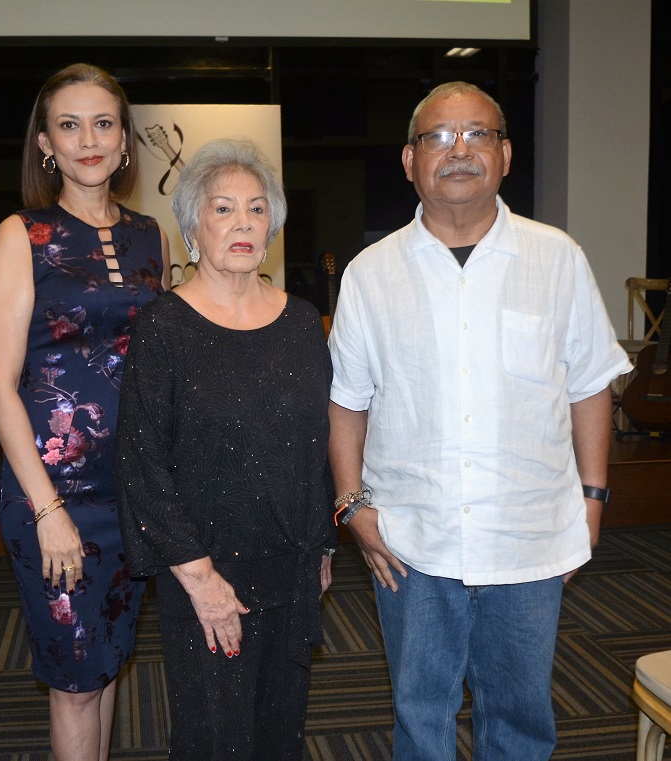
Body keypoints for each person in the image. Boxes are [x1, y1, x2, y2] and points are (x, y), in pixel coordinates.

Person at [328, 81, 633, 760]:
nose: (457, 150)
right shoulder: (370, 274)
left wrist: (591, 497)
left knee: (520, 718)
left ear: (504, 154)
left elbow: (588, 386)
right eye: (437, 136)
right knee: (419, 715)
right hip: (410, 539)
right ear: (409, 160)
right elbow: (348, 399)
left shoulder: (556, 259)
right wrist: (352, 504)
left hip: (528, 532)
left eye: (477, 134)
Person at [115, 137, 336, 760]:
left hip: (290, 567)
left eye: (257, 208)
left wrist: (322, 542)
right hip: (206, 572)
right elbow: (141, 464)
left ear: (273, 226)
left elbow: (315, 444)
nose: (243, 221)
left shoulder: (300, 321)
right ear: (192, 228)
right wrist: (199, 577)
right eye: (223, 208)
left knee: (278, 732)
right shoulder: (164, 327)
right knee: (216, 739)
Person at [0, 63, 169, 761]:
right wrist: (47, 508)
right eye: (69, 125)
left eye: (102, 123)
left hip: (132, 491)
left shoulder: (151, 234)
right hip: (54, 494)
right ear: (45, 145)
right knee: (75, 678)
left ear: (123, 142)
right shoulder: (20, 234)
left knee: (108, 658)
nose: (87, 139)